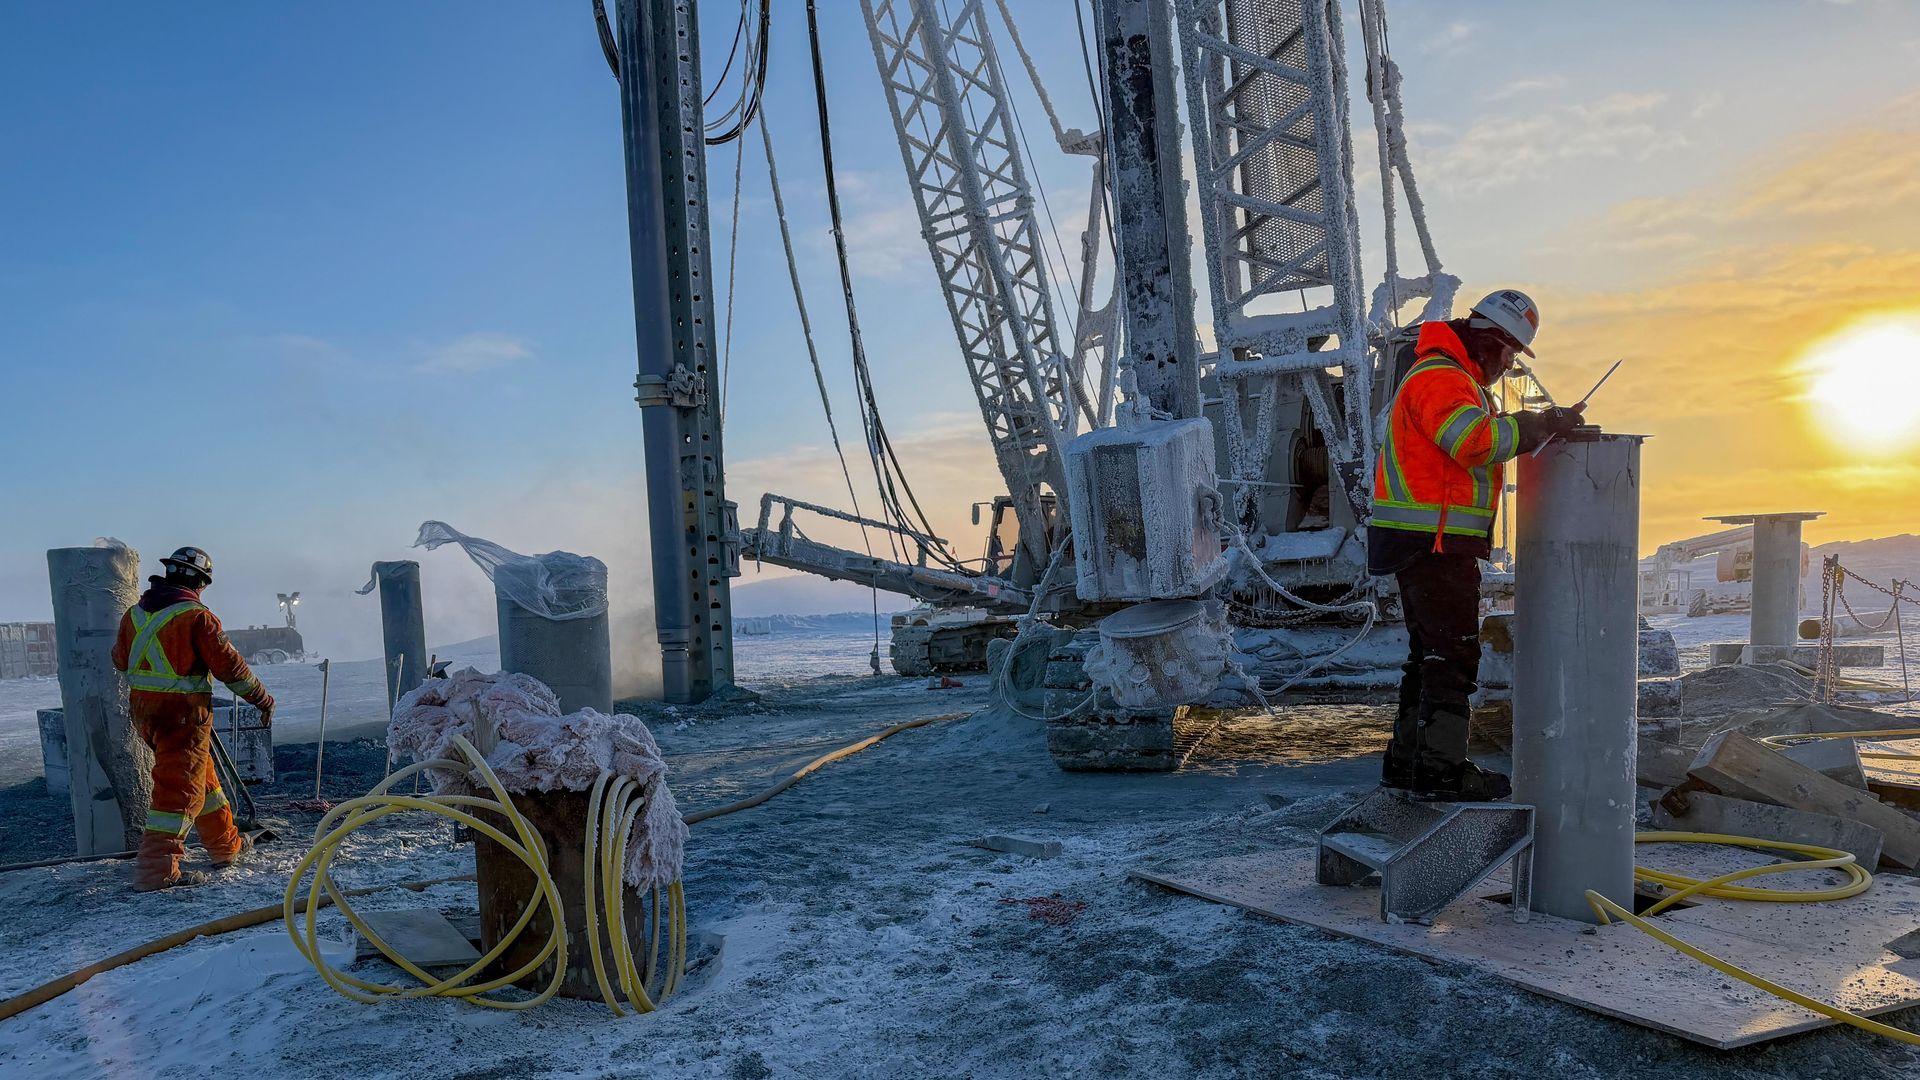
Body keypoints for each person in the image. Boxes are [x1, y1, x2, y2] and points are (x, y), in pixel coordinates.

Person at [1368, 290, 1584, 800]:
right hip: (1435, 543)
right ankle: (1441, 771)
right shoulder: (1442, 377)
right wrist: (1537, 425)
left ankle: (1409, 764)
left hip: (1429, 540)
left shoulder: (1446, 375)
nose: (1509, 366)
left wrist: (1532, 425)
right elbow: (1474, 441)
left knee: (1430, 655)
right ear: (1491, 341)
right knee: (1452, 656)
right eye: (1511, 354)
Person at [111, 546, 275, 889]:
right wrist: (262, 700)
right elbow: (232, 670)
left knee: (201, 777)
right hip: (182, 716)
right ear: (201, 583)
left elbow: (120, 660)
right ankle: (156, 870)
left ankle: (225, 845)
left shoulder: (133, 616)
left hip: (146, 714)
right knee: (179, 790)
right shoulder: (198, 617)